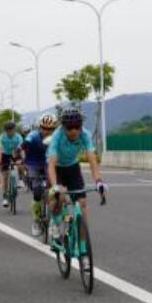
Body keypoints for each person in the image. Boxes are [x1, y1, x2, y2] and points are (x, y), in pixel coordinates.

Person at [46, 108, 105, 270]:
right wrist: (55, 186)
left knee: (82, 204)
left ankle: (83, 252)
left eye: (77, 127)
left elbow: (93, 160)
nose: (74, 131)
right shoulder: (57, 136)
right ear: (63, 127)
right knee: (60, 197)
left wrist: (98, 181)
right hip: (57, 169)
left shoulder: (85, 135)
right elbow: (50, 165)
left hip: (72, 168)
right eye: (69, 128)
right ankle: (55, 224)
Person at [22, 113, 58, 236]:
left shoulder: (57, 136)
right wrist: (19, 153)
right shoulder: (33, 135)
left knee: (53, 192)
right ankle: (36, 221)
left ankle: (53, 221)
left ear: (54, 128)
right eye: (44, 128)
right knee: (37, 192)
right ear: (40, 127)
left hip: (49, 164)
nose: (47, 131)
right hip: (33, 163)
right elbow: (24, 144)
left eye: (50, 129)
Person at [0, 120, 25, 208]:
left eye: (12, 130)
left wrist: (21, 158)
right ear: (5, 131)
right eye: (8, 130)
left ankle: (21, 180)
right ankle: (5, 197)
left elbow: (21, 148)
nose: (10, 132)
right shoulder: (2, 137)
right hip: (5, 154)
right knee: (5, 176)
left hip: (16, 153)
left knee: (20, 165)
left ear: (14, 129)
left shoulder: (18, 137)